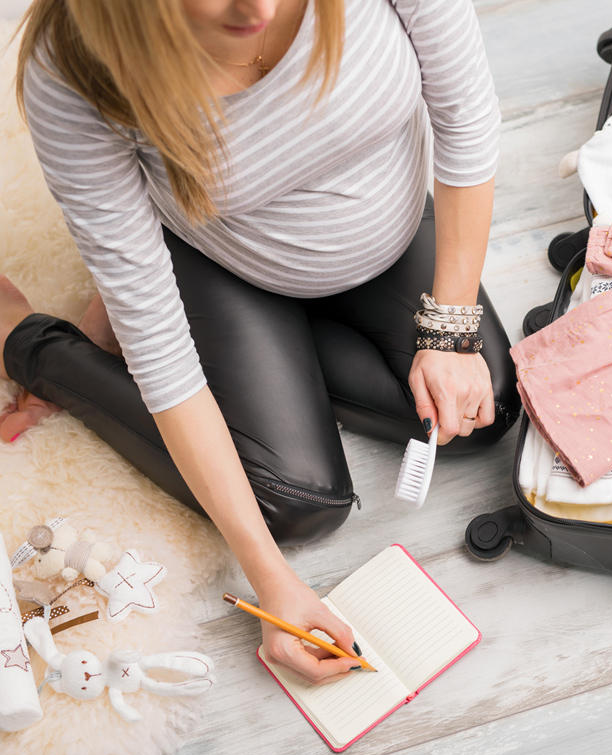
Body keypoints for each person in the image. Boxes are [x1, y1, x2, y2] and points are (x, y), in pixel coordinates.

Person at [2, 0, 519, 685]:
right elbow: (161, 354)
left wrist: (449, 333)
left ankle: (259, 343)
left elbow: (467, 124)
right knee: (292, 503)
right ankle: (29, 337)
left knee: (484, 414)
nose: (260, 9)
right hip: (223, 257)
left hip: (383, 236)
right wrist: (272, 583)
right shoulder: (72, 70)